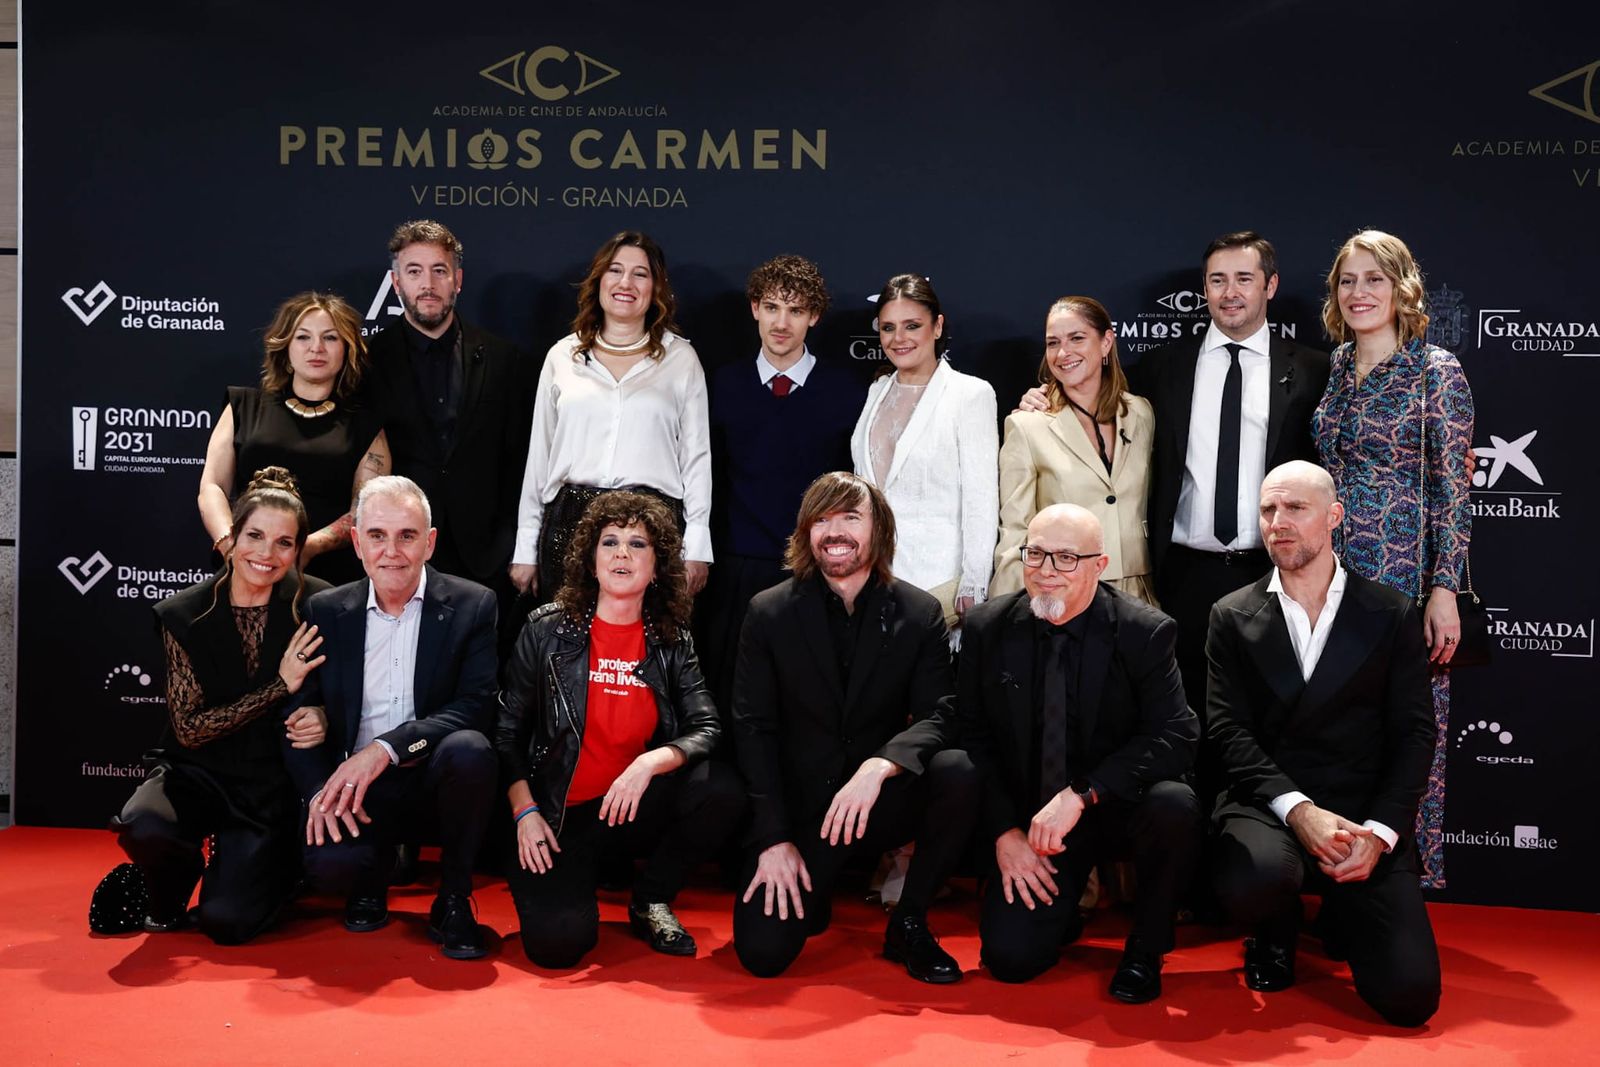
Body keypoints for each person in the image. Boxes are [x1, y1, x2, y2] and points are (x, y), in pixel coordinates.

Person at [1208, 461, 1440, 1027]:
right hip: (1269, 803)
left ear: (1334, 516)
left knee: (1410, 999)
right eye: (1267, 510)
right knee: (1249, 882)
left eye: (1295, 508)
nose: (1277, 523)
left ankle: (1343, 912)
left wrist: (1382, 834)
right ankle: (1274, 927)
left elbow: (1414, 733)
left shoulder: (1390, 612)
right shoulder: (1232, 614)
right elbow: (1226, 731)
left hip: (1361, 817)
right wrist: (1300, 811)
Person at [732, 472, 977, 983]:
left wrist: (881, 765)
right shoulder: (768, 611)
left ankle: (909, 921)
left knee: (958, 770)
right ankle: (813, 889)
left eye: (849, 517)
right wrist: (774, 838)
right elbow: (753, 729)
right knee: (762, 954)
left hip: (878, 802)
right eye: (821, 519)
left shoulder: (919, 611)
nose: (834, 531)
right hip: (804, 815)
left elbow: (941, 713)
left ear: (879, 530)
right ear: (806, 534)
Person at [957, 503, 1199, 1003]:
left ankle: (1145, 948)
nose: (1046, 572)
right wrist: (1005, 832)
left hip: (1112, 807)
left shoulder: (1144, 631)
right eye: (1036, 554)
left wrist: (1084, 793)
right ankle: (1060, 910)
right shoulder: (988, 627)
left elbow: (1176, 734)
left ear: (1099, 566)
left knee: (1174, 803)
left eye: (1066, 558)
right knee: (1010, 961)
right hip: (1034, 822)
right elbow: (973, 737)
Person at [496, 492, 744, 967]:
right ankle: (574, 880)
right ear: (591, 561)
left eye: (638, 544)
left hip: (631, 806)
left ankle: (650, 897)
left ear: (657, 566)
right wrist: (524, 812)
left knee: (721, 789)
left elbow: (707, 725)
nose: (622, 554)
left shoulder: (670, 638)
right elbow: (505, 732)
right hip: (556, 814)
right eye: (609, 542)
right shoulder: (545, 631)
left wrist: (651, 761)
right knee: (559, 946)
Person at [1312, 229, 1474, 890]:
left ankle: (1396, 876)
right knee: (1336, 722)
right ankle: (1334, 868)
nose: (1359, 293)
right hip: (1330, 577)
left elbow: (1454, 491)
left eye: (1373, 278)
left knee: (1404, 725)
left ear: (1403, 286)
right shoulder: (1335, 367)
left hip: (1403, 576)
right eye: (1348, 281)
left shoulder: (1437, 369)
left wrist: (1444, 588)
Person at [284, 475, 499, 960]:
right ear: (357, 542)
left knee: (472, 751)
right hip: (360, 790)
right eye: (377, 536)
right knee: (328, 869)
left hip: (433, 779)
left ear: (430, 542)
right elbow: (299, 706)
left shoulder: (472, 605)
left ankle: (453, 896)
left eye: (407, 536)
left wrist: (387, 748)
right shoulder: (325, 609)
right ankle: (371, 871)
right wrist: (319, 792)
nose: (392, 551)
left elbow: (475, 707)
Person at [112, 467, 330, 943]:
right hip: (196, 770)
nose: (266, 554)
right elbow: (189, 730)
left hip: (269, 785)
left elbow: (344, 693)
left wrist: (323, 716)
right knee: (145, 825)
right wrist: (279, 686)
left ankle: (271, 869)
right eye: (254, 535)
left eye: (284, 543)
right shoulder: (183, 613)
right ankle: (173, 874)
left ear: (298, 550)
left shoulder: (320, 605)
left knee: (227, 924)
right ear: (231, 537)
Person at [701, 253, 863, 719]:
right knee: (729, 696)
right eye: (772, 307)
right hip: (733, 568)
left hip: (812, 570)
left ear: (813, 316)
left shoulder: (847, 391)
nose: (781, 322)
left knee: (804, 699)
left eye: (795, 310)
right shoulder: (721, 385)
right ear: (754, 308)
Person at [511, 231, 713, 605]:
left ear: (655, 288)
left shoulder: (681, 359)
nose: (626, 283)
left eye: (640, 274)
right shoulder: (562, 356)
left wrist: (697, 543)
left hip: (653, 526)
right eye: (615, 270)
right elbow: (539, 456)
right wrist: (525, 546)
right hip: (569, 523)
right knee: (567, 644)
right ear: (599, 280)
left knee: (646, 647)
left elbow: (697, 459)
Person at [362, 220, 533, 651]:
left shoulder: (504, 359)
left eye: (439, 270)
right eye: (414, 271)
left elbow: (521, 460)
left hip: (486, 556)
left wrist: (514, 545)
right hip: (399, 554)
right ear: (396, 282)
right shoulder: (366, 362)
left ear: (457, 279)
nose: (428, 284)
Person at [199, 292, 390, 585]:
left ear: (347, 350)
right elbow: (212, 486)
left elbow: (365, 510)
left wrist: (306, 548)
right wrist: (231, 545)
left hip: (326, 580)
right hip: (243, 569)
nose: (316, 348)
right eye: (303, 337)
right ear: (285, 346)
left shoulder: (366, 425)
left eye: (330, 338)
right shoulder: (243, 406)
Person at [851, 274, 997, 638]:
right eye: (888, 327)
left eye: (912, 325)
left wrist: (974, 584)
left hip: (939, 587)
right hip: (871, 582)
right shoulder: (877, 391)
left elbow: (982, 499)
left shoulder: (970, 395)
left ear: (937, 326)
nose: (898, 339)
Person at [993, 296, 1155, 604]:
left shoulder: (1141, 413)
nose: (1063, 353)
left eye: (1077, 338)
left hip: (1138, 594)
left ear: (1106, 342)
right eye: (1053, 343)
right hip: (1063, 592)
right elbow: (1015, 533)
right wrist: (1008, 610)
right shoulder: (1028, 425)